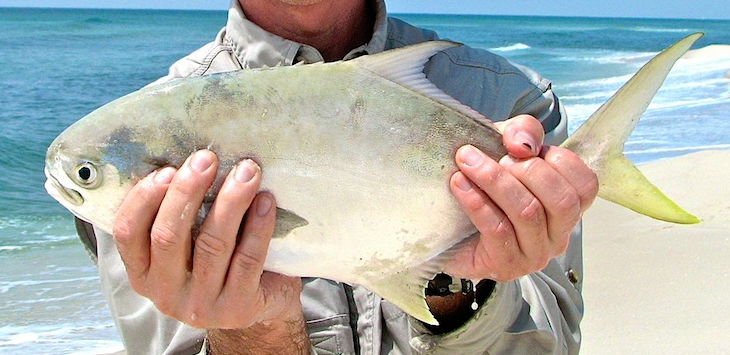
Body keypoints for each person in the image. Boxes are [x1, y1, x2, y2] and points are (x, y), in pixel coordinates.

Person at [76, 0, 598, 353]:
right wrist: (253, 330)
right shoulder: (143, 140)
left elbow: (554, 341)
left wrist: (456, 288)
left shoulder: (509, 102)